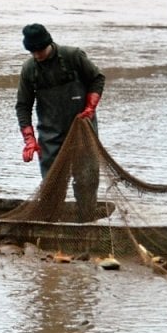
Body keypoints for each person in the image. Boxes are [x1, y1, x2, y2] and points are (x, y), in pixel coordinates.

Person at [15, 23, 105, 217]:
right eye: (33, 51)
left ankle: (86, 220)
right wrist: (29, 139)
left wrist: (90, 106)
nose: (37, 54)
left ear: (49, 43)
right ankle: (52, 222)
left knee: (86, 179)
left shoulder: (73, 56)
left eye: (40, 50)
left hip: (83, 129)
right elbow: (23, 106)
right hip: (50, 134)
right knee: (51, 184)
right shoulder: (29, 69)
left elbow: (97, 79)